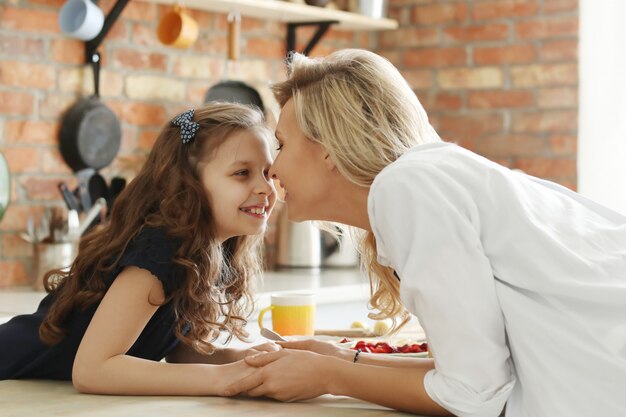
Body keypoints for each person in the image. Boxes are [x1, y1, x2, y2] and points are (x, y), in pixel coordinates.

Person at [224, 49, 626, 417]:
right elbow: (476, 375)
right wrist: (342, 358)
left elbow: (471, 395)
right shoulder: (428, 177)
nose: (273, 170)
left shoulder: (408, 188)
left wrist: (328, 375)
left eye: (282, 145)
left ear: (328, 147)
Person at [0, 102, 279, 396]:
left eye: (267, 172)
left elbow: (178, 351)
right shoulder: (160, 253)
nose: (266, 188)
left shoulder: (206, 254)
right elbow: (93, 370)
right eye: (242, 173)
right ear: (189, 184)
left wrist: (240, 361)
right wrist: (222, 380)